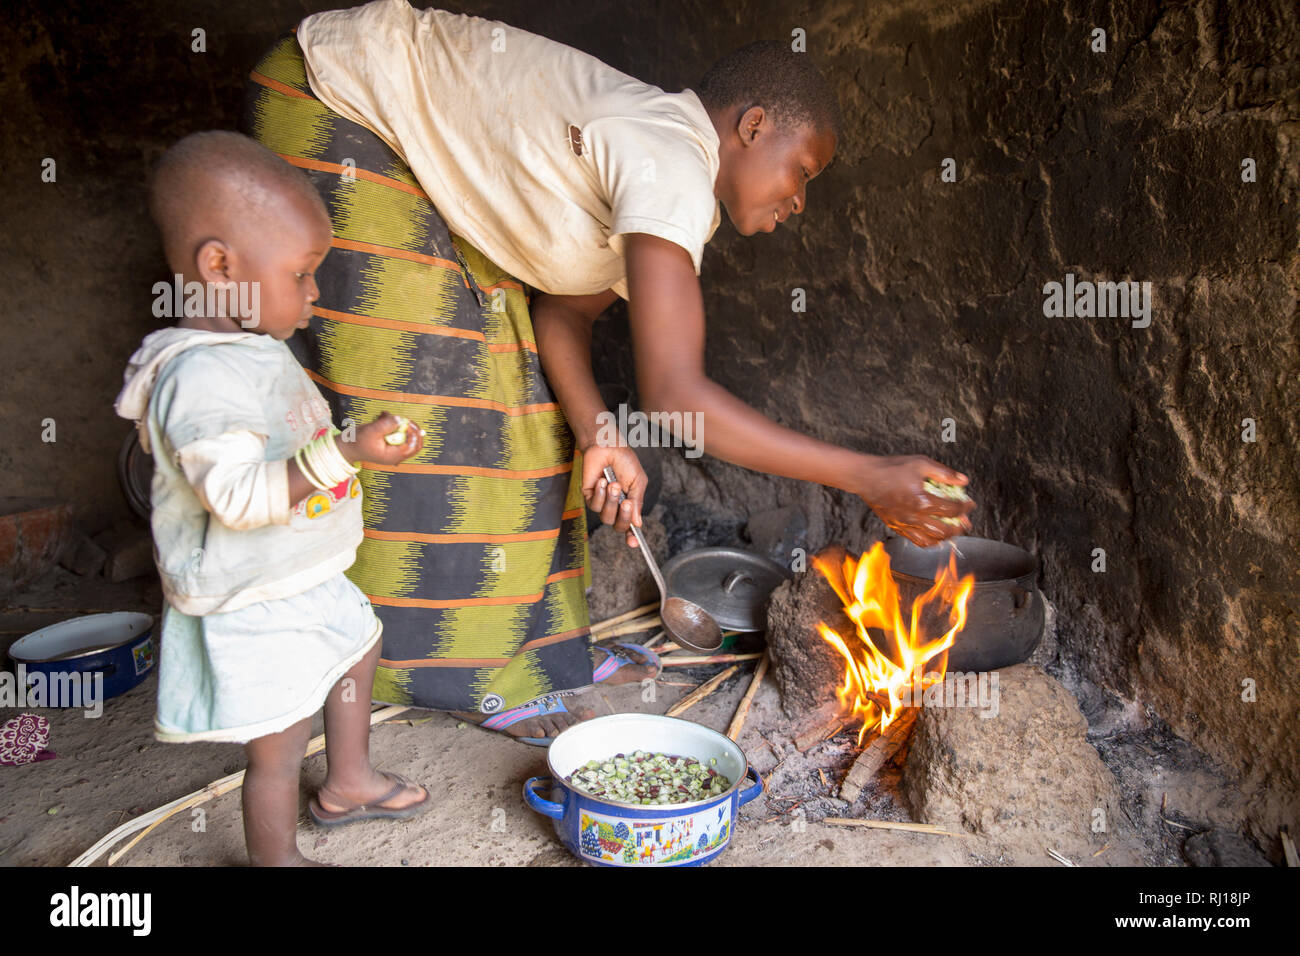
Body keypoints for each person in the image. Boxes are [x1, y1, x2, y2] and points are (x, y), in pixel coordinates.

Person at [241, 0, 974, 745]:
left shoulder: (671, 182)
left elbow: (562, 316)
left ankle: (537, 659)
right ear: (753, 127)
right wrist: (868, 475)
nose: (799, 200)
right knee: (432, 396)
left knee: (534, 413)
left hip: (407, 157)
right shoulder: (673, 161)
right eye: (802, 170)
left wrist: (600, 436)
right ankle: (440, 670)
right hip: (337, 97)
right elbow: (672, 392)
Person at [114, 130, 431, 866]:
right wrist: (346, 452)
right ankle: (275, 858)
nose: (315, 292)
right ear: (220, 265)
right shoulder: (199, 380)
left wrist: (355, 448)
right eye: (303, 272)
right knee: (280, 742)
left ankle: (348, 781)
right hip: (249, 597)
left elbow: (286, 449)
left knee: (359, 643)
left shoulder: (248, 352)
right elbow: (233, 496)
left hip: (297, 575)